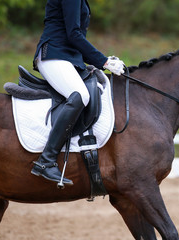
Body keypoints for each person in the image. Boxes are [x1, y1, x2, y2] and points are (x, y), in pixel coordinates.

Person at [31, 0, 124, 185]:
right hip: (54, 54)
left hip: (67, 56)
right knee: (81, 95)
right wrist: (103, 62)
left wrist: (102, 61)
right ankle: (46, 160)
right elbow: (73, 34)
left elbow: (75, 38)